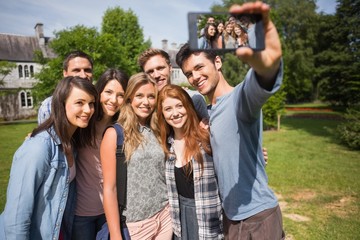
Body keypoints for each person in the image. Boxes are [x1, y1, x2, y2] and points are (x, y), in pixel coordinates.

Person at [175, 2, 285, 239]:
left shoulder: (239, 99)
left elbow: (258, 85)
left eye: (199, 67)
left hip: (257, 217)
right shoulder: (208, 112)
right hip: (230, 218)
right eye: (188, 74)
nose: (194, 77)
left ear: (217, 62)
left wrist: (268, 67)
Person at [0, 76, 98, 240]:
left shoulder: (71, 143)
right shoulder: (39, 147)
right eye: (80, 103)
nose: (88, 110)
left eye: (91, 103)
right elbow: (16, 216)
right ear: (62, 104)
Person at [100, 73, 172, 240]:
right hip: (136, 225)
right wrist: (116, 235)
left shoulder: (159, 129)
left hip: (164, 217)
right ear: (129, 98)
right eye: (139, 96)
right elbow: (109, 189)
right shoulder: (115, 134)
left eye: (151, 97)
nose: (145, 102)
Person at [156, 84, 223, 239]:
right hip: (180, 220)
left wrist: (256, 156)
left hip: (209, 219)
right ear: (162, 114)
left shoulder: (206, 138)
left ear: (188, 106)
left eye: (179, 105)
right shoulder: (166, 146)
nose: (175, 113)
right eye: (168, 109)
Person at [72, 69, 129, 240]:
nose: (113, 100)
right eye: (109, 92)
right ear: (99, 93)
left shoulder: (122, 130)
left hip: (110, 213)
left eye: (120, 95)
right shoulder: (82, 124)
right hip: (81, 213)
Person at [138, 48, 209, 121]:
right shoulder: (145, 107)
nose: (156, 75)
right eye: (150, 71)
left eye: (160, 68)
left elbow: (206, 129)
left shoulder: (193, 99)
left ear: (170, 68)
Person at [38, 50, 94, 125]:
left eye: (87, 70)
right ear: (65, 74)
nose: (83, 75)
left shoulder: (101, 103)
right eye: (76, 70)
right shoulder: (48, 107)